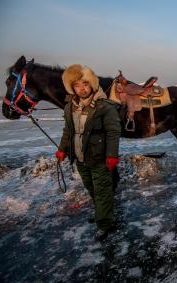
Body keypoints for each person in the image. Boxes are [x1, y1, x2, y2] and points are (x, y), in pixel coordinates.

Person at [55, 64, 121, 241]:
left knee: (102, 190)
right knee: (91, 187)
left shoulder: (104, 106)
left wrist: (112, 155)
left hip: (99, 156)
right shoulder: (70, 106)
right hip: (79, 156)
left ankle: (104, 223)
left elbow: (113, 132)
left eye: (85, 84)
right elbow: (68, 130)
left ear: (91, 84)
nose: (82, 89)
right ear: (72, 87)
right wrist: (62, 150)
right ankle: (103, 212)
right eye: (77, 85)